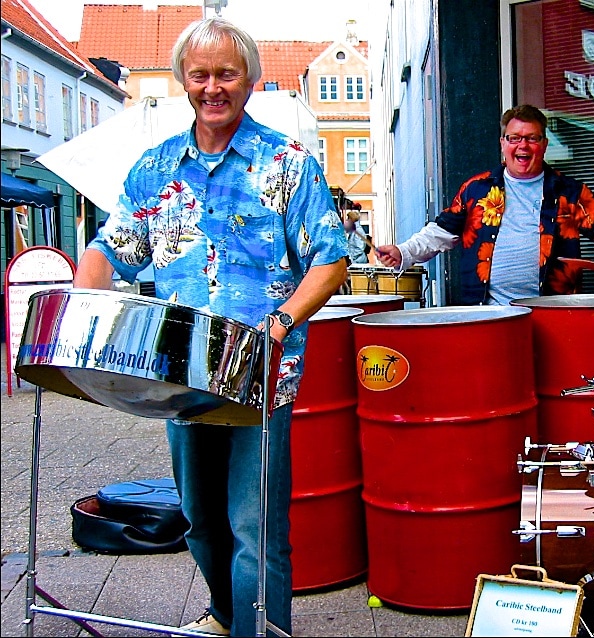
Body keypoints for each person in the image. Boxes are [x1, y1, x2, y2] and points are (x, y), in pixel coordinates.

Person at [73, 17, 349, 636]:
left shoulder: (287, 164)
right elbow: (111, 248)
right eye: (199, 75)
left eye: (226, 73)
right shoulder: (156, 168)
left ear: (249, 79)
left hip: (259, 373)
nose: (212, 86)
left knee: (255, 527)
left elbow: (330, 261)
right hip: (180, 373)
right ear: (183, 81)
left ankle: (260, 630)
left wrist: (281, 322)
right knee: (199, 521)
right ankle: (229, 617)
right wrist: (83, 311)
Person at [376, 104, 594, 305]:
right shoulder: (476, 189)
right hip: (488, 315)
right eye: (514, 138)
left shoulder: (568, 192)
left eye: (532, 138)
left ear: (544, 145)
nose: (522, 145)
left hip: (553, 313)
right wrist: (404, 252)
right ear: (503, 143)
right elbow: (439, 233)